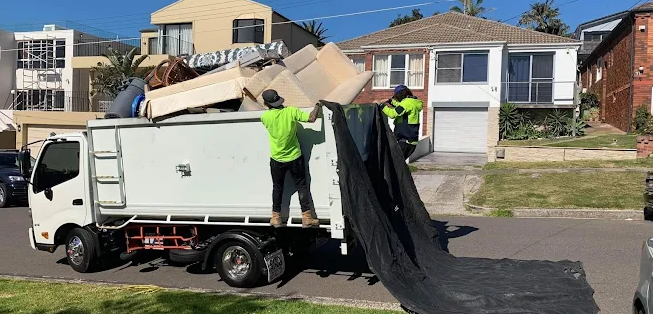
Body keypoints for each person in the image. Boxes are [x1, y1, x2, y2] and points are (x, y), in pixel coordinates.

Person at [260, 89, 322, 228]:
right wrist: (317, 105)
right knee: (301, 186)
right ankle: (306, 218)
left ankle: (276, 218)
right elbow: (311, 119)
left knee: (277, 188)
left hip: (276, 159)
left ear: (266, 103)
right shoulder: (291, 112)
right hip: (294, 157)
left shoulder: (265, 117)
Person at [380, 85, 423, 160]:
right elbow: (400, 106)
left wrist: (381, 106)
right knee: (399, 165)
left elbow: (392, 114)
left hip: (405, 142)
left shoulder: (407, 103)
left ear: (399, 95)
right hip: (411, 142)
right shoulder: (413, 102)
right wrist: (390, 101)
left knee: (396, 165)